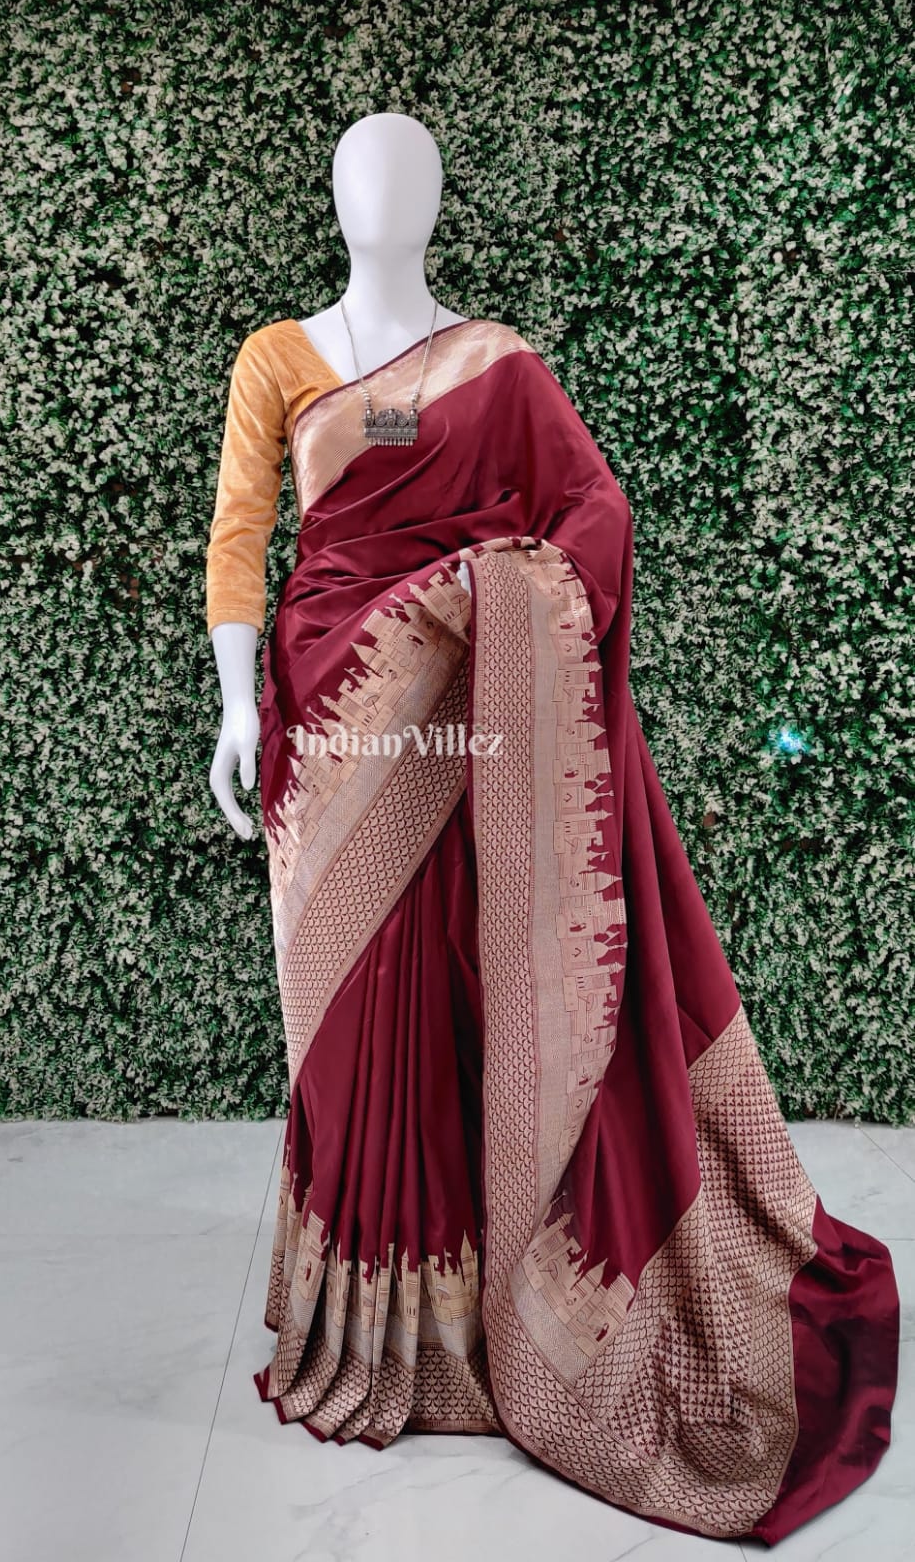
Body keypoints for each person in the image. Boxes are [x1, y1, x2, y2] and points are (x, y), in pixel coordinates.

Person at [204, 113, 899, 1546]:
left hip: (466, 720)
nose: (385, 198)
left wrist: (489, 591)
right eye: (363, 176)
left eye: (408, 175)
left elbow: (592, 509)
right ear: (333, 197)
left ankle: (463, 1321)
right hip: (328, 725)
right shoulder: (275, 356)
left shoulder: (498, 363)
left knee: (451, 998)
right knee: (343, 1030)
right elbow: (238, 537)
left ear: (437, 199)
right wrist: (230, 708)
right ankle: (368, 1317)